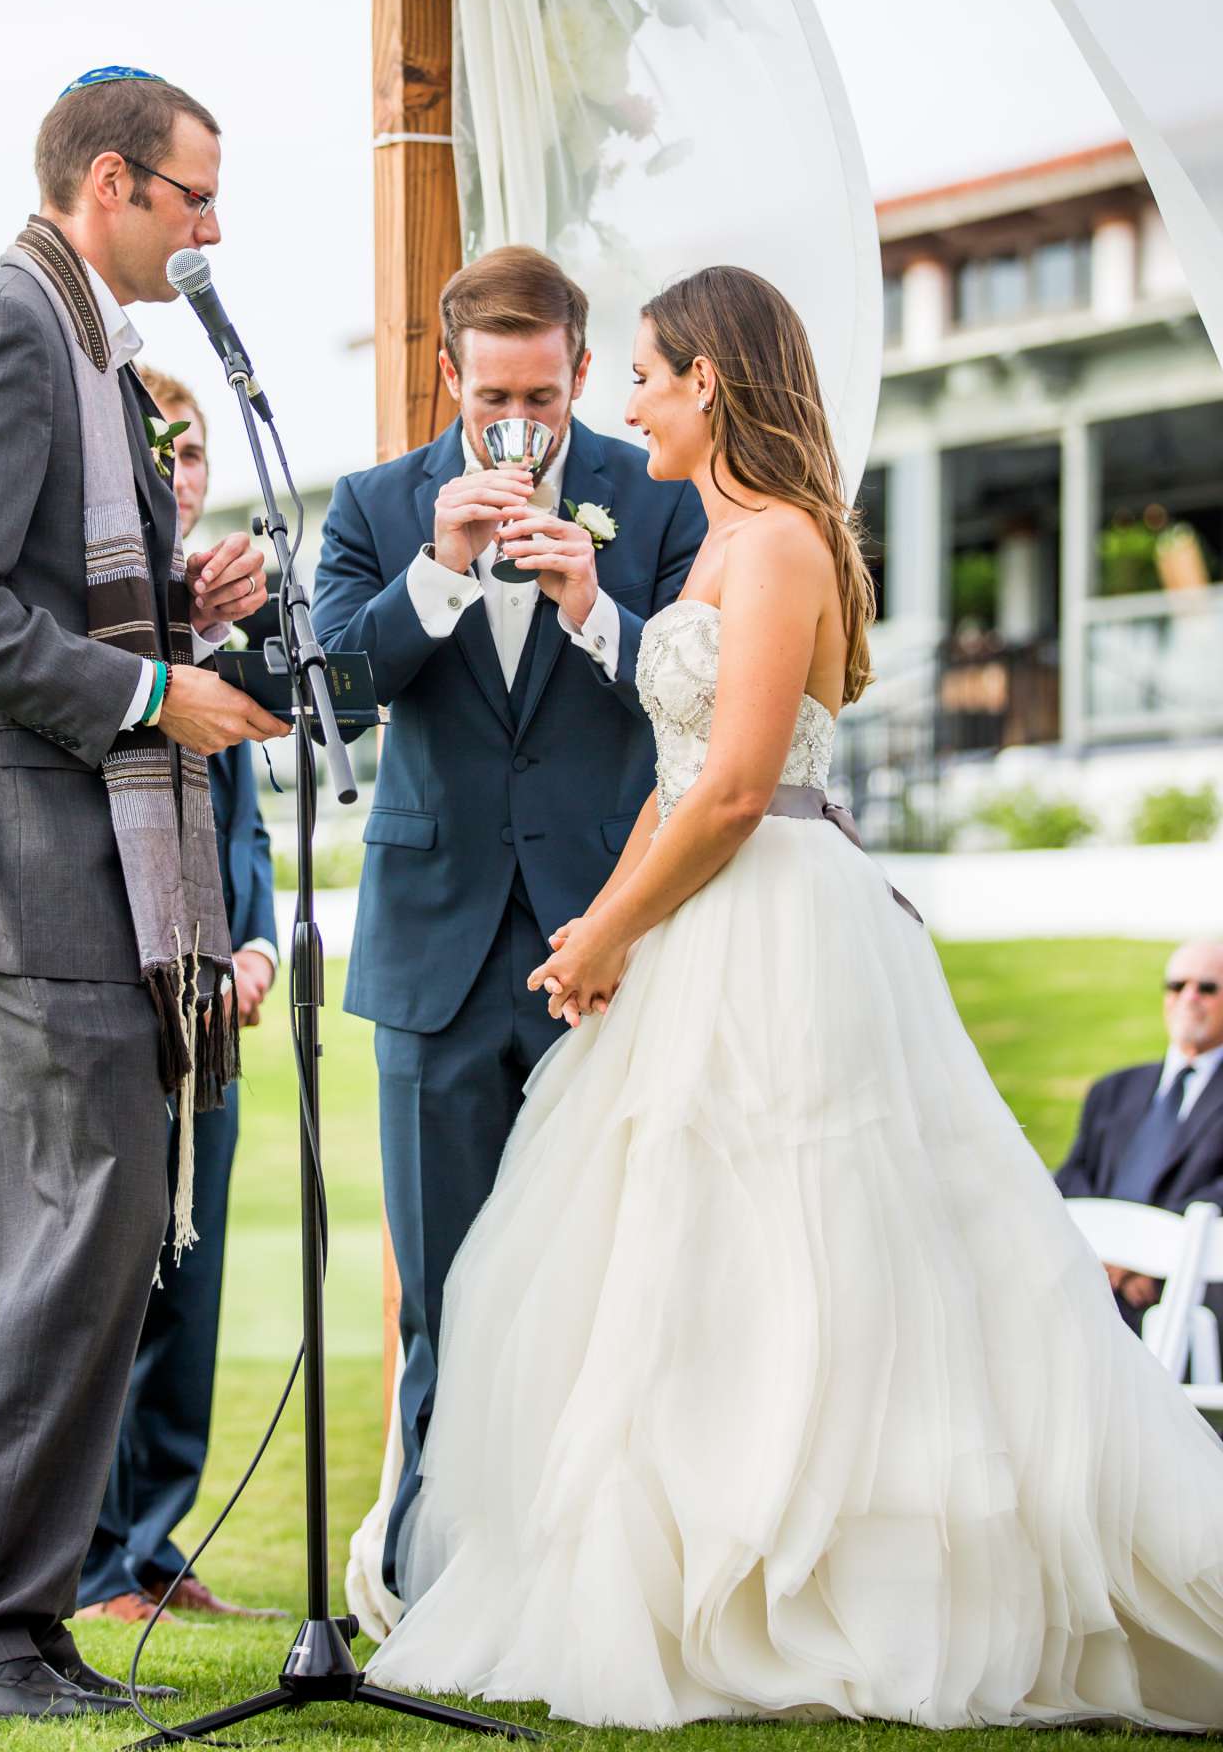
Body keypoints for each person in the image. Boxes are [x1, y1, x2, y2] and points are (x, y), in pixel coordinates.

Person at [367, 266, 1223, 1730]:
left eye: (643, 371)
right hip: (695, 912)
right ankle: (700, 1573)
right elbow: (674, 776)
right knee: (671, 1265)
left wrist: (607, 929)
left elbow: (746, 790)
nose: (626, 402)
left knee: (806, 1247)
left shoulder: (778, 550)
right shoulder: (717, 552)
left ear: (709, 382)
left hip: (774, 917)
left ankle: (837, 1581)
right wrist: (606, 926)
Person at [0, 65, 289, 1724]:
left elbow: (41, 587)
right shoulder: (7, 326)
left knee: (15, 1257)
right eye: (194, 195)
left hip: (57, 858)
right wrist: (143, 698)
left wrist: (188, 597)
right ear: (111, 183)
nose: (212, 227)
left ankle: (0, 1627)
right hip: (30, 860)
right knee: (77, 1243)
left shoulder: (89, 351)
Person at [313, 246, 705, 1598]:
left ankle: (594, 1590)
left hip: (606, 945)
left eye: (543, 394)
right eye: (493, 397)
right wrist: (438, 564)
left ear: (582, 373)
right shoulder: (375, 505)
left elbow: (705, 696)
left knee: (615, 1289)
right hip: (434, 956)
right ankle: (434, 1584)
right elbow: (338, 690)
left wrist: (594, 607)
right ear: (448, 376)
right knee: (447, 1296)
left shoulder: (653, 496)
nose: (520, 424)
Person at [78, 369, 282, 1627]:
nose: (182, 468)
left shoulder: (230, 631)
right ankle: (93, 1559)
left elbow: (246, 830)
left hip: (215, 1000)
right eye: (160, 449)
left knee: (191, 1278)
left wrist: (256, 946)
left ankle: (158, 1546)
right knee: (109, 1280)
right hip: (113, 988)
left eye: (192, 447)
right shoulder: (101, 627)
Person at [1056, 940, 1223, 1331]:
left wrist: (1148, 1258)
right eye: (1177, 986)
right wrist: (1104, 1255)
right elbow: (1072, 1178)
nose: (1189, 997)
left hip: (1186, 1297)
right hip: (1093, 1282)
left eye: (1207, 988)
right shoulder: (1112, 1091)